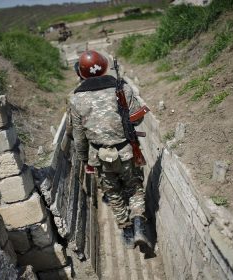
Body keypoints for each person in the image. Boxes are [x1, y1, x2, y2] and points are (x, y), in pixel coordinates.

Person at [69, 50, 151, 249]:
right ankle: (139, 223)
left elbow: (79, 136)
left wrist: (84, 160)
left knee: (113, 192)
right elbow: (138, 117)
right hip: (125, 151)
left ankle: (127, 231)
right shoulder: (121, 88)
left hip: (99, 156)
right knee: (134, 187)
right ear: (104, 66)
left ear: (81, 73)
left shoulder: (75, 99)